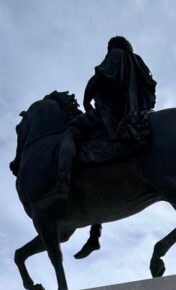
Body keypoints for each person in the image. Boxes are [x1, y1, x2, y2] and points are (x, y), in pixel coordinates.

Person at [47, 36, 157, 205]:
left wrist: (87, 97)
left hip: (111, 112)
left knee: (70, 131)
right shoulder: (137, 62)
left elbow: (102, 75)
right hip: (135, 112)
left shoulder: (116, 54)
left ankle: (62, 182)